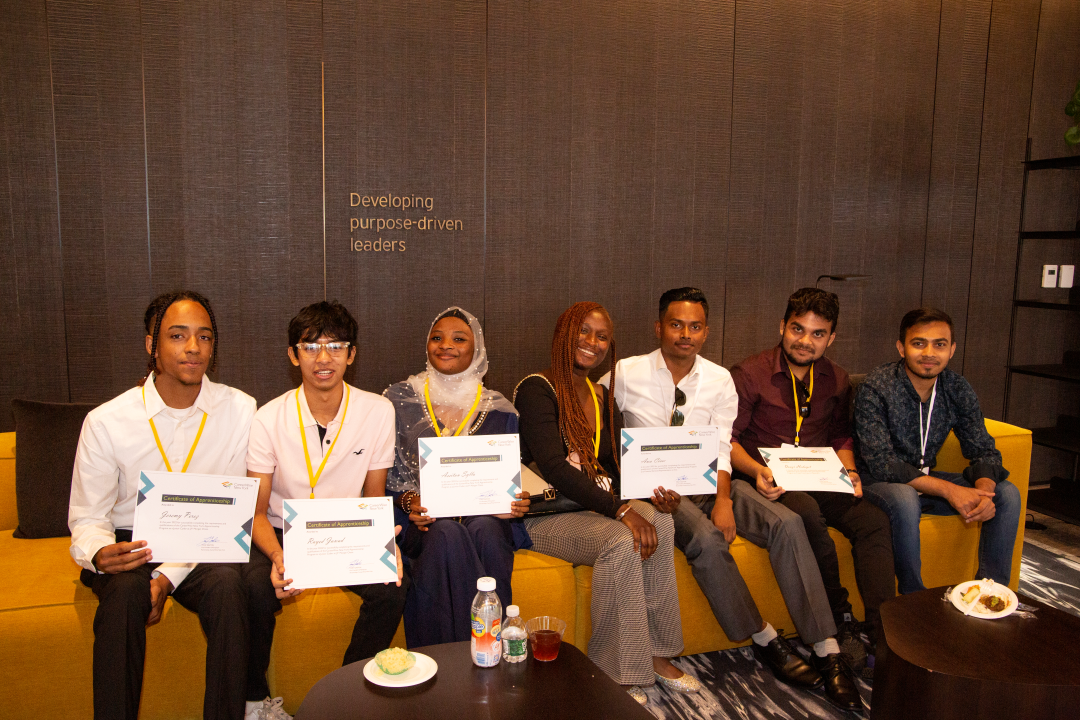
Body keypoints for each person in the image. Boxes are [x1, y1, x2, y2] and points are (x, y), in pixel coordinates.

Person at [605, 287, 861, 712]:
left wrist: (724, 498)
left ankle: (826, 645)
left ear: (705, 332)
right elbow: (592, 419)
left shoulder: (720, 378)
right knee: (706, 538)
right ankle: (764, 636)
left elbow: (724, 445)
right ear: (659, 328)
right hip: (660, 492)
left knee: (787, 522)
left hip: (710, 482)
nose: (685, 334)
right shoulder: (625, 373)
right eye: (676, 325)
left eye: (695, 326)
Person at [69, 291, 266, 720]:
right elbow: (88, 517)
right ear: (151, 345)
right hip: (131, 542)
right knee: (123, 595)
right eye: (178, 336)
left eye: (204, 337)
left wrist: (167, 579)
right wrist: (100, 553)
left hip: (205, 541)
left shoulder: (240, 410)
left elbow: (233, 509)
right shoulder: (107, 421)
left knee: (231, 590)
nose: (193, 347)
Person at [514, 301, 697, 706]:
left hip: (591, 507)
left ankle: (656, 651)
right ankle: (616, 668)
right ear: (563, 335)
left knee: (661, 523)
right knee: (621, 539)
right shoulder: (536, 388)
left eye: (602, 337)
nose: (592, 343)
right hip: (545, 517)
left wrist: (652, 495)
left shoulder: (599, 395)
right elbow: (555, 468)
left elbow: (617, 466)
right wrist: (622, 510)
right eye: (583, 332)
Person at [245, 301, 406, 714]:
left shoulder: (377, 410)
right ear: (293, 354)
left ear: (351, 355)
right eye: (311, 346)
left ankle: (347, 693)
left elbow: (374, 497)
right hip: (283, 530)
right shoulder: (268, 418)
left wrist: (386, 545)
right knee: (251, 589)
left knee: (394, 587)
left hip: (346, 530)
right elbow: (256, 512)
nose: (324, 358)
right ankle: (255, 701)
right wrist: (280, 557)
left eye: (336, 346)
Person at [729, 287, 894, 677]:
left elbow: (840, 437)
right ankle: (840, 622)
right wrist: (756, 471)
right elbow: (727, 441)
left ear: (831, 338)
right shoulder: (749, 374)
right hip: (764, 477)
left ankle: (885, 631)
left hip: (817, 473)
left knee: (873, 520)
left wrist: (850, 471)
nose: (805, 341)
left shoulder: (835, 379)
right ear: (782, 326)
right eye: (798, 330)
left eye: (818, 334)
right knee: (805, 513)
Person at [383, 306, 531, 647]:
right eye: (437, 338)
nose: (445, 345)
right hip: (419, 522)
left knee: (488, 530)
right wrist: (409, 502)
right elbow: (379, 480)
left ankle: (492, 648)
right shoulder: (398, 401)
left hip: (481, 517)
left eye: (458, 339)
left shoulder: (499, 409)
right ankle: (450, 654)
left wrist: (517, 501)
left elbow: (509, 481)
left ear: (475, 349)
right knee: (446, 532)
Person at [854, 307, 1021, 595]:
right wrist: (948, 490)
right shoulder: (877, 386)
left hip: (926, 483)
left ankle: (989, 594)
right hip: (877, 483)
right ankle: (913, 599)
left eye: (939, 344)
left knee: (1007, 493)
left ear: (952, 349)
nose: (929, 353)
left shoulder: (956, 387)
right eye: (919, 343)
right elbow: (882, 463)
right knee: (905, 496)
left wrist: (983, 492)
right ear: (901, 347)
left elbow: (983, 448)